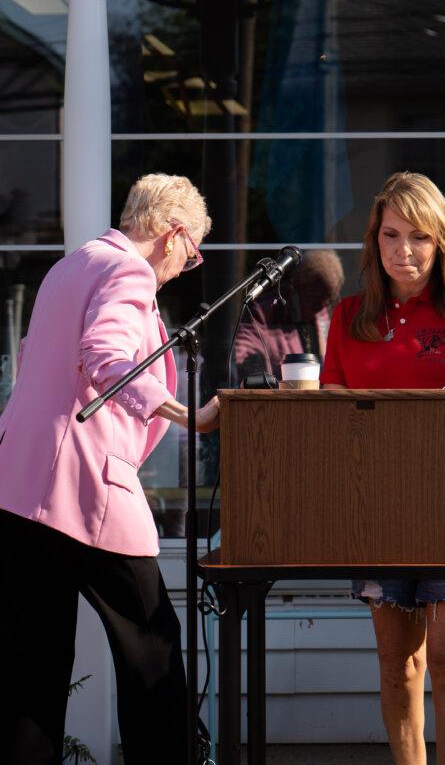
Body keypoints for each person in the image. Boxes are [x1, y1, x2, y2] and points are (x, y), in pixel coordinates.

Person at [0, 174, 221, 764]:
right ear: (173, 236)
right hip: (83, 485)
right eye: (192, 251)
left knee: (33, 666)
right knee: (152, 648)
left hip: (18, 487)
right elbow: (107, 357)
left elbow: (39, 361)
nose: (185, 264)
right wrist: (190, 416)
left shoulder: (71, 265)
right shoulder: (128, 270)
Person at [319, 172, 445, 765]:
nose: (404, 251)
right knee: (398, 665)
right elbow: (330, 423)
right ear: (374, 241)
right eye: (391, 235)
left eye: (420, 237)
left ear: (442, 241)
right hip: (377, 512)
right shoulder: (350, 316)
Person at [233, 248, 345, 381]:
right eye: (316, 300)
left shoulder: (323, 314)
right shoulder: (265, 312)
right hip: (281, 396)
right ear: (299, 287)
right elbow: (241, 354)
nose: (322, 307)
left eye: (329, 300)